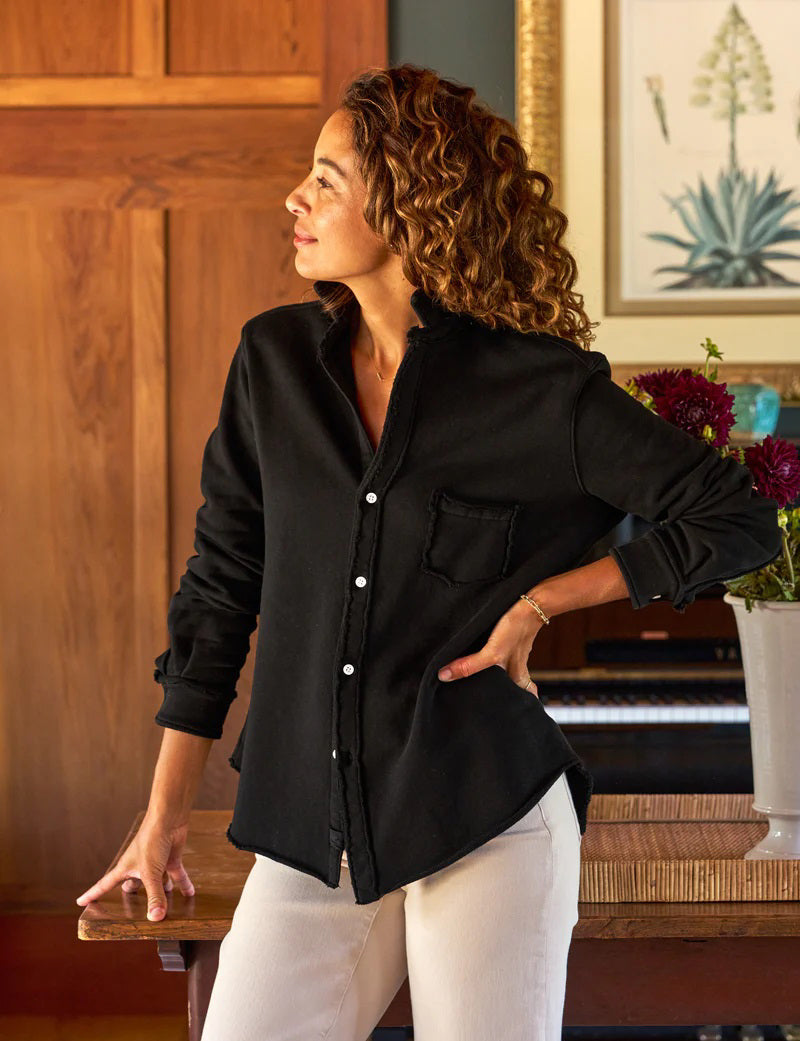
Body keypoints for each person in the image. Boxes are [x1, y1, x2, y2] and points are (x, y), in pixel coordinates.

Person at [76, 63, 782, 1041]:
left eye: (327, 178)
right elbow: (220, 585)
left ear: (408, 200)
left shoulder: (539, 392)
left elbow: (736, 518)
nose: (296, 197)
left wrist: (542, 602)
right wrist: (161, 817)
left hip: (481, 814)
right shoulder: (273, 365)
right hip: (311, 825)